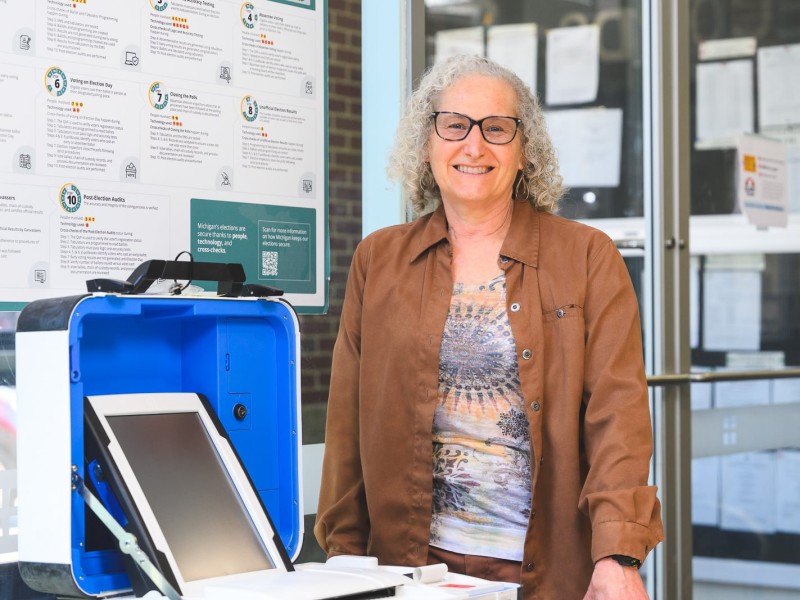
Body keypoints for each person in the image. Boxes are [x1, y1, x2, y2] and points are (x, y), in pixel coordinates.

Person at [314, 54, 664, 600]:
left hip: (544, 568)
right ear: (426, 144)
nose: (473, 146)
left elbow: (617, 416)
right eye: (454, 125)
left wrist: (617, 554)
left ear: (525, 152)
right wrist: (344, 554)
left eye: (496, 129)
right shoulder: (378, 260)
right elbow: (347, 425)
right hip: (411, 569)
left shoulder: (587, 257)